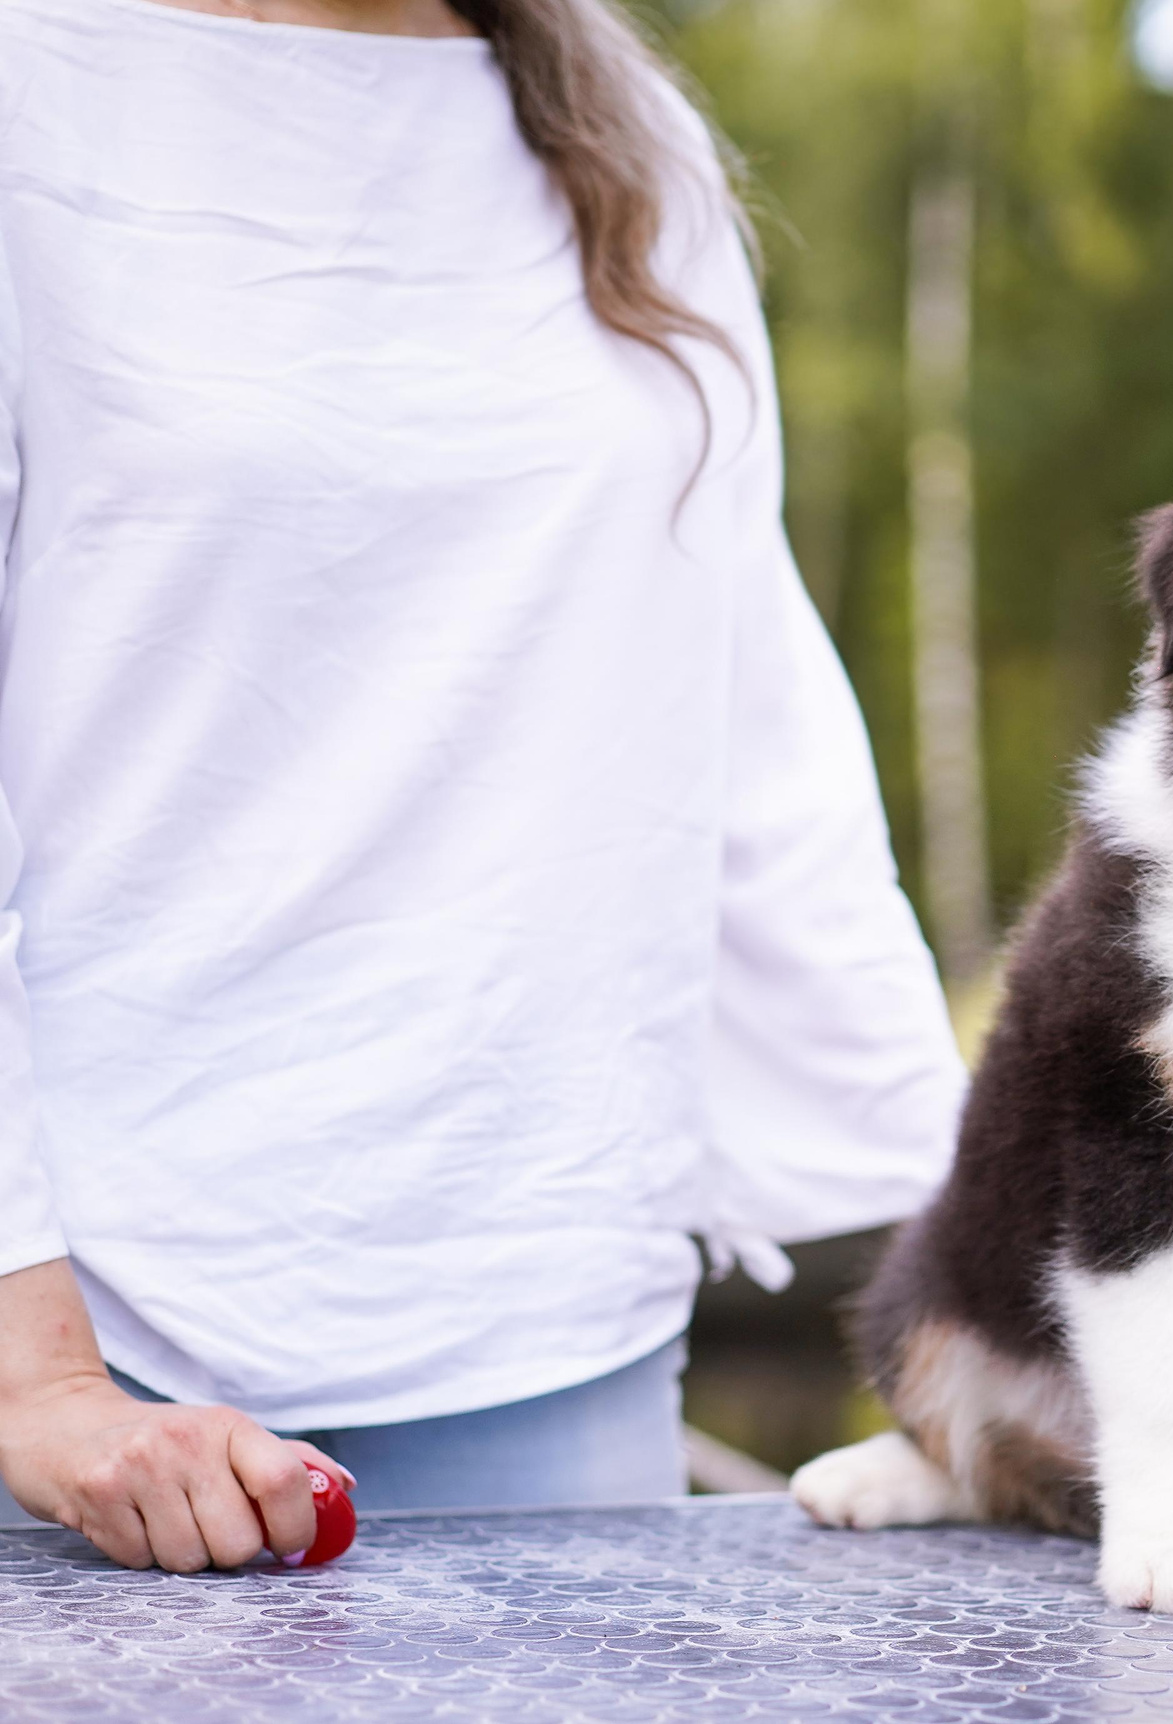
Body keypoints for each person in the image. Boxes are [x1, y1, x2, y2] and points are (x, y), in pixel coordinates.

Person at [0, 0, 967, 1570]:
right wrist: (37, 1387)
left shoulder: (631, 136)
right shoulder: (33, 91)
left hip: (554, 1332)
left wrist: (1044, 1283)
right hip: (85, 1363)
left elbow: (753, 742)